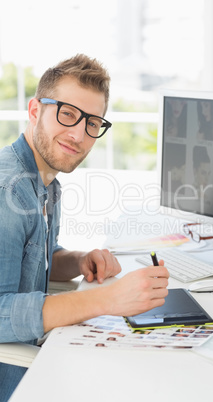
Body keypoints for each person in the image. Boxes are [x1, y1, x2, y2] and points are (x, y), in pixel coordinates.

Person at [0, 54, 169, 401]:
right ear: (35, 111)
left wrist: (78, 260)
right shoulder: (8, 191)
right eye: (67, 114)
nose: (78, 134)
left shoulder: (44, 180)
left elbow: (34, 263)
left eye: (92, 122)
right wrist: (106, 299)